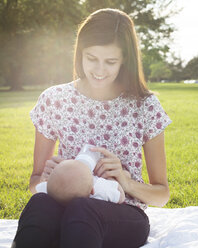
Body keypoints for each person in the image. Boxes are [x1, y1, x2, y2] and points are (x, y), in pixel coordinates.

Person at [12, 8, 172, 248]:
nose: (99, 70)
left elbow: (162, 195)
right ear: (80, 53)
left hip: (123, 215)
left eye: (110, 62)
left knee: (82, 210)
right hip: (62, 208)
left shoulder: (144, 105)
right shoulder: (55, 99)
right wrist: (50, 177)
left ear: (125, 59)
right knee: (40, 205)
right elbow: (35, 183)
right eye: (91, 58)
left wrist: (125, 182)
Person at [36, 159, 126, 205]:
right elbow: (120, 197)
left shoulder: (49, 190)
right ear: (92, 190)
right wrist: (111, 179)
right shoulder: (99, 190)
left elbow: (39, 187)